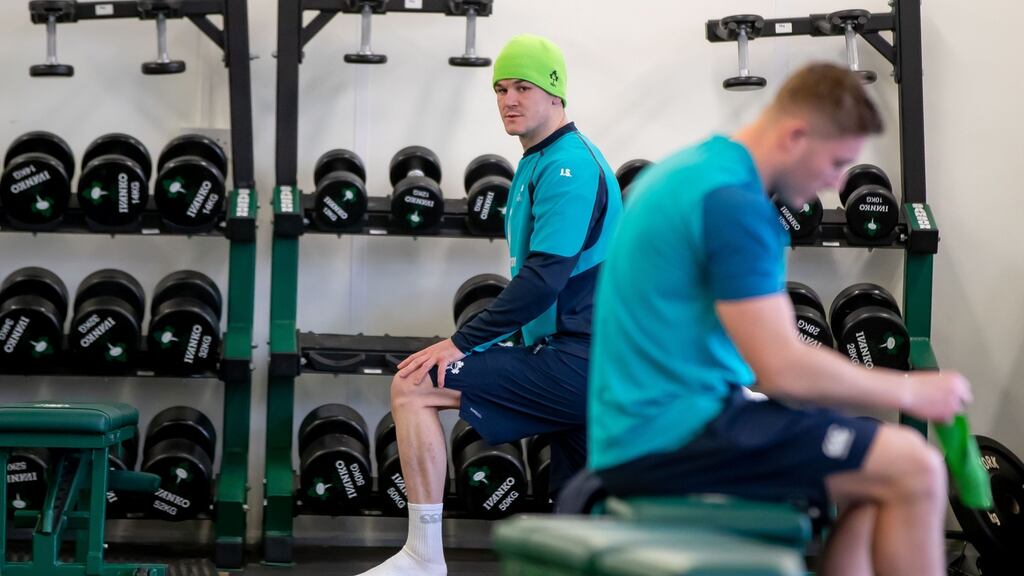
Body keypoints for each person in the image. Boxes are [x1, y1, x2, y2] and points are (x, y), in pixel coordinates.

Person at [588, 63, 971, 576]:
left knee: (874, 476)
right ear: (796, 135)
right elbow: (783, 370)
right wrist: (911, 392)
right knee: (916, 466)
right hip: (670, 436)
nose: (837, 182)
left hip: (647, 426)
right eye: (836, 162)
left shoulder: (697, 169)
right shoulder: (734, 205)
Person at [356, 34, 622, 576]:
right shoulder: (537, 160)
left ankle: (423, 557)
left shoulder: (569, 167)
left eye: (523, 87)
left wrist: (460, 342)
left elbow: (544, 280)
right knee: (575, 527)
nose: (509, 100)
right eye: (500, 89)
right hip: (583, 356)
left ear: (555, 93)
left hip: (582, 359)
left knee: (414, 385)